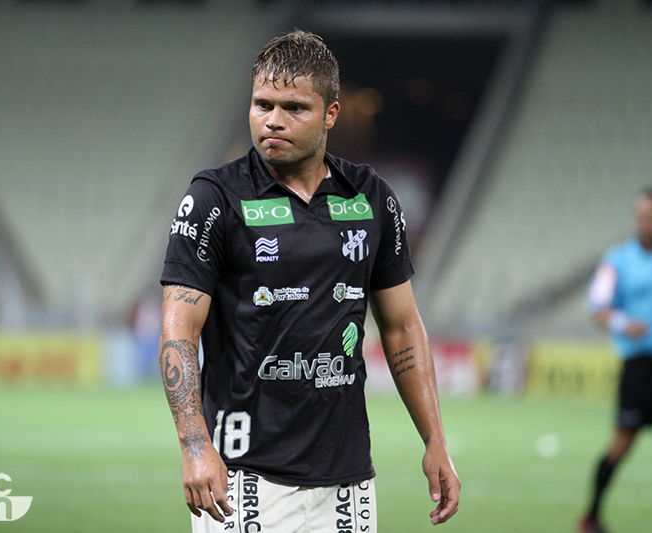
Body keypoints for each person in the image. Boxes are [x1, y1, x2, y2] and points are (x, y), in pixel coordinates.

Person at [159, 30, 459, 532]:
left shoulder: (371, 199)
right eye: (262, 104)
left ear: (331, 114)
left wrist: (435, 440)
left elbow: (403, 327)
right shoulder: (214, 198)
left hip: (347, 482)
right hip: (243, 479)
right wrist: (194, 445)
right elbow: (178, 329)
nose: (273, 120)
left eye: (294, 107)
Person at [579, 188, 652, 533]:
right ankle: (592, 516)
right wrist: (622, 323)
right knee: (620, 445)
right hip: (640, 369)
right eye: (639, 215)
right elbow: (597, 307)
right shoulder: (618, 260)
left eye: (650, 216)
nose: (643, 222)